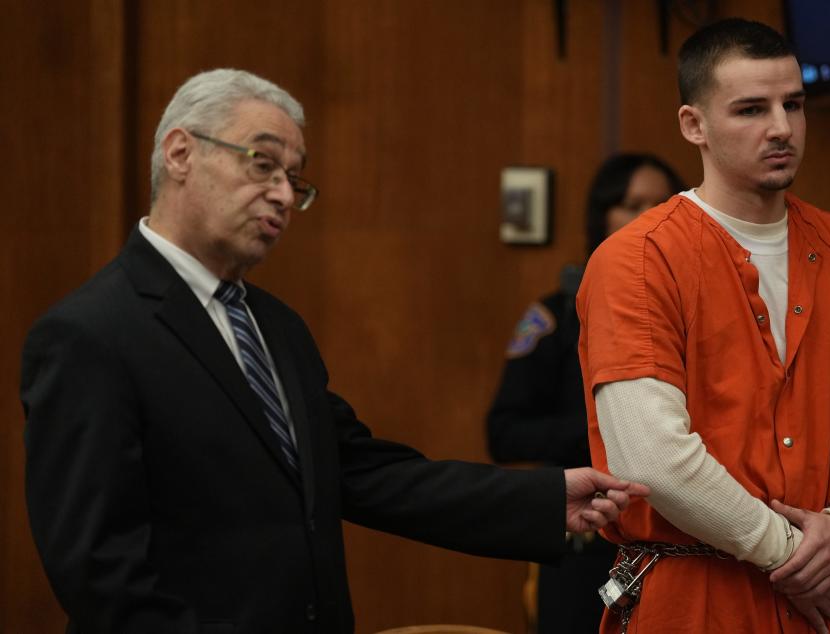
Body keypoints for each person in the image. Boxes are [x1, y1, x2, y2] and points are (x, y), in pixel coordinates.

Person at [19, 69, 649, 634]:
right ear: (181, 153)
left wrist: (543, 499)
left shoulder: (275, 326)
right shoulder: (90, 333)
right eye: (261, 165)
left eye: (294, 180)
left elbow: (365, 474)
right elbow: (99, 571)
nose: (284, 197)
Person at [576, 18, 830, 634]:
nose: (782, 128)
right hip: (694, 593)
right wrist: (789, 553)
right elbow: (654, 458)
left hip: (825, 582)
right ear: (693, 125)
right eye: (752, 109)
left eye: (794, 105)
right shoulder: (637, 257)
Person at [486, 152, 684, 633]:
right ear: (603, 218)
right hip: (587, 542)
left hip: (683, 544)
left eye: (662, 203)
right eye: (632, 204)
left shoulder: (697, 313)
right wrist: (610, 430)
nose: (649, 216)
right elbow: (505, 435)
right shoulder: (556, 317)